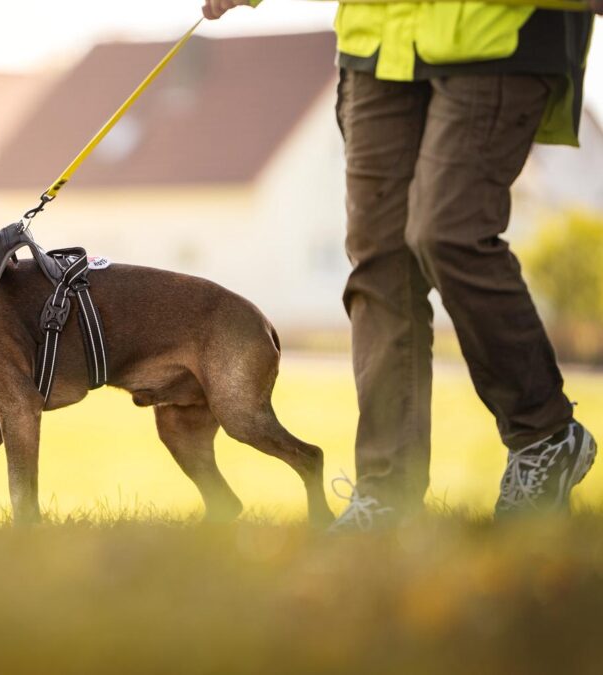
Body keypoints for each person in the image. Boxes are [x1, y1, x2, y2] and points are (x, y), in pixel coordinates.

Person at [202, 0, 602, 528]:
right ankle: (388, 488)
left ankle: (543, 434)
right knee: (378, 261)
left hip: (496, 27)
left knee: (449, 233)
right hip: (378, 37)